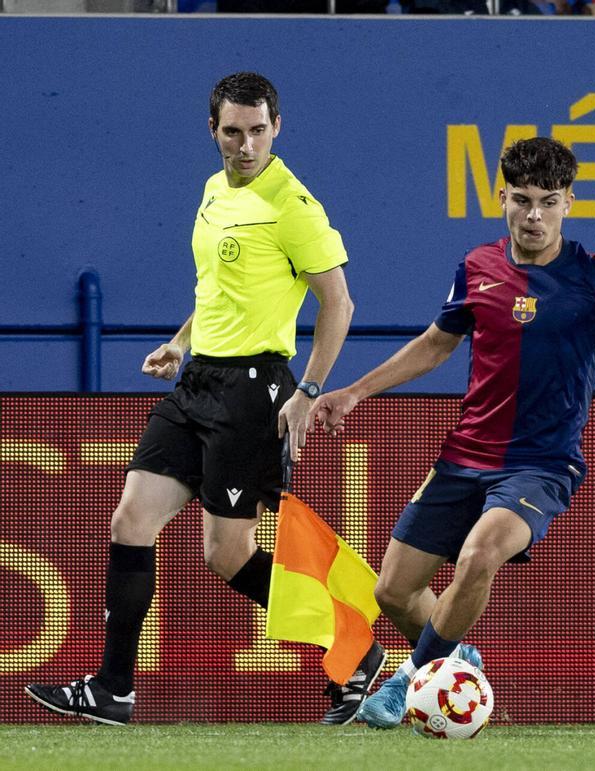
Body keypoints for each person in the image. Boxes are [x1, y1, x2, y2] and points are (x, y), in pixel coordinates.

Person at [24, 72, 378, 726]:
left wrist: (306, 392)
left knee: (227, 554)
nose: (246, 145)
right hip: (198, 383)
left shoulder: (291, 205)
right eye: (233, 132)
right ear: (213, 131)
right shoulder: (215, 191)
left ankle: (351, 646)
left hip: (254, 390)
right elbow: (219, 288)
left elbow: (340, 303)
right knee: (129, 523)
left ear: (278, 128)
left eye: (258, 131)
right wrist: (181, 342)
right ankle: (113, 688)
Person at [311, 136, 595, 728]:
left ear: (569, 202)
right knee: (392, 594)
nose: (534, 215)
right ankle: (455, 659)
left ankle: (406, 681)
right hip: (463, 456)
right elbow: (437, 343)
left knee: (479, 554)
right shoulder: (477, 267)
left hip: (541, 465)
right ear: (502, 197)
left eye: (548, 202)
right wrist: (355, 390)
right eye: (521, 200)